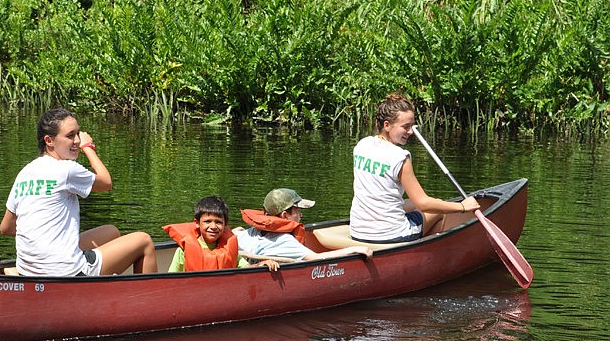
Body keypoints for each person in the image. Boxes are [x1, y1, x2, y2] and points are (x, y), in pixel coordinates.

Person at [0, 107, 157, 276]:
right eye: (70, 135)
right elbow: (106, 183)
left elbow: (6, 227)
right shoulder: (67, 169)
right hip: (66, 271)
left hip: (27, 271)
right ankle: (147, 299)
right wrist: (88, 147)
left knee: (112, 232)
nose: (76, 141)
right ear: (49, 140)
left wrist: (42, 235)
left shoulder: (25, 173)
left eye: (78, 134)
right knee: (144, 241)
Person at [349, 92, 481, 243]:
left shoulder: (362, 145)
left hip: (358, 231)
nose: (411, 132)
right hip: (390, 234)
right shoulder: (399, 157)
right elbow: (423, 203)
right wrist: (462, 207)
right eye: (405, 127)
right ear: (387, 125)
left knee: (413, 204)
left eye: (412, 126)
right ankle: (430, 254)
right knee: (439, 212)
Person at [235, 188, 372, 265]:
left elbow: (234, 234)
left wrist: (237, 230)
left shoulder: (249, 233)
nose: (300, 216)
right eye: (297, 211)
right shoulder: (284, 241)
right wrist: (354, 249)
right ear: (284, 215)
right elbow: (318, 259)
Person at [164, 196, 279, 272]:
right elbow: (171, 279)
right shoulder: (183, 251)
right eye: (207, 221)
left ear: (225, 225)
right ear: (197, 223)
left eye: (218, 222)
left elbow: (247, 268)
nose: (213, 227)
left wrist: (261, 265)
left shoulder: (229, 248)